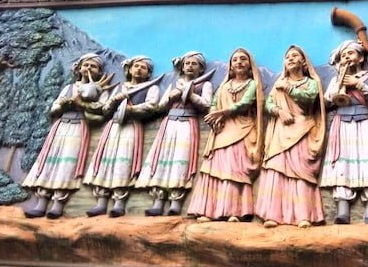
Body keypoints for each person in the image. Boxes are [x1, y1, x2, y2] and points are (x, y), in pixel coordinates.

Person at [22, 53, 112, 218]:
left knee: (67, 164)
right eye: (86, 65)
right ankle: (41, 202)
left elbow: (103, 108)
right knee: (50, 161)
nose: (89, 68)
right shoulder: (69, 88)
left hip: (78, 127)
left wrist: (83, 104)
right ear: (79, 68)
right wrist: (62, 105)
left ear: (99, 72)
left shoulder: (101, 89)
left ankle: (58, 204)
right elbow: (54, 108)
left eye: (93, 66)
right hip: (61, 126)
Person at [188, 48, 263, 222]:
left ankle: (235, 211)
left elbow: (245, 103)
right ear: (230, 66)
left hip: (242, 129)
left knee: (234, 169)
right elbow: (213, 104)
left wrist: (222, 112)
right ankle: (208, 210)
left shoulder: (252, 84)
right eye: (235, 59)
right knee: (214, 168)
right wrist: (215, 117)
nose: (239, 62)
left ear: (249, 64)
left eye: (243, 59)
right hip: (222, 131)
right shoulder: (224, 85)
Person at [255, 45, 326, 228]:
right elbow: (267, 105)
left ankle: (303, 215)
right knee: (277, 170)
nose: (291, 59)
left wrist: (288, 88)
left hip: (302, 129)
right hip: (281, 131)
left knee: (300, 172)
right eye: (288, 57)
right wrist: (279, 111)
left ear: (303, 62)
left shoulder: (310, 83)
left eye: (295, 56)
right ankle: (273, 214)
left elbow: (310, 98)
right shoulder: (278, 84)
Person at [136, 51, 212, 216]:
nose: (190, 66)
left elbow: (206, 105)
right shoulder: (174, 84)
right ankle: (158, 200)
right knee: (164, 158)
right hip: (169, 124)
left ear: (201, 69)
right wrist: (171, 97)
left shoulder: (204, 84)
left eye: (194, 64)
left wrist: (190, 95)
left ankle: (176, 202)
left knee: (181, 160)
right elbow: (160, 106)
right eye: (187, 63)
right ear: (182, 67)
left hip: (187, 124)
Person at [320, 40, 368, 224]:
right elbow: (326, 103)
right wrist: (338, 85)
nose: (346, 58)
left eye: (350, 53)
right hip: (342, 122)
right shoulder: (336, 79)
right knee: (343, 161)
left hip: (364, 121)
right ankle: (343, 210)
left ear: (361, 57)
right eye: (343, 55)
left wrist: (359, 85)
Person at [84, 56, 160, 218]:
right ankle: (101, 202)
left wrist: (131, 109)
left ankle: (119, 203)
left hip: (131, 127)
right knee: (106, 160)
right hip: (114, 126)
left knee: (124, 161)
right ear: (129, 69)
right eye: (136, 66)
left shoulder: (151, 88)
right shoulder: (119, 87)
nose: (139, 69)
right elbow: (103, 108)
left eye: (143, 67)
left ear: (148, 73)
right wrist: (113, 101)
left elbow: (151, 106)